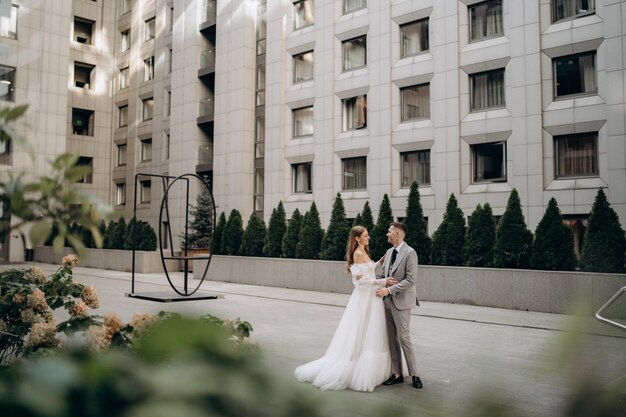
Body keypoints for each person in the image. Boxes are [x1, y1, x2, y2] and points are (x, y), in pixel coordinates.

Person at [294, 226, 397, 392]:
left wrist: (380, 261)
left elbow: (368, 271)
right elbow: (361, 283)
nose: (368, 237)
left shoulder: (363, 251)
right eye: (365, 235)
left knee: (371, 332)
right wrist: (383, 281)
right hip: (364, 299)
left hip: (372, 298)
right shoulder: (357, 253)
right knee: (361, 330)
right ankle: (357, 368)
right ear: (357, 238)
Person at [375, 222, 423, 389]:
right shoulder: (388, 252)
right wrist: (379, 282)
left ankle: (415, 374)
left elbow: (411, 280)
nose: (387, 234)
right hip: (386, 302)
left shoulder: (410, 253)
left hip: (402, 302)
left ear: (398, 234)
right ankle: (397, 374)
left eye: (389, 232)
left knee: (404, 338)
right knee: (391, 339)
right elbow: (383, 275)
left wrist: (389, 290)